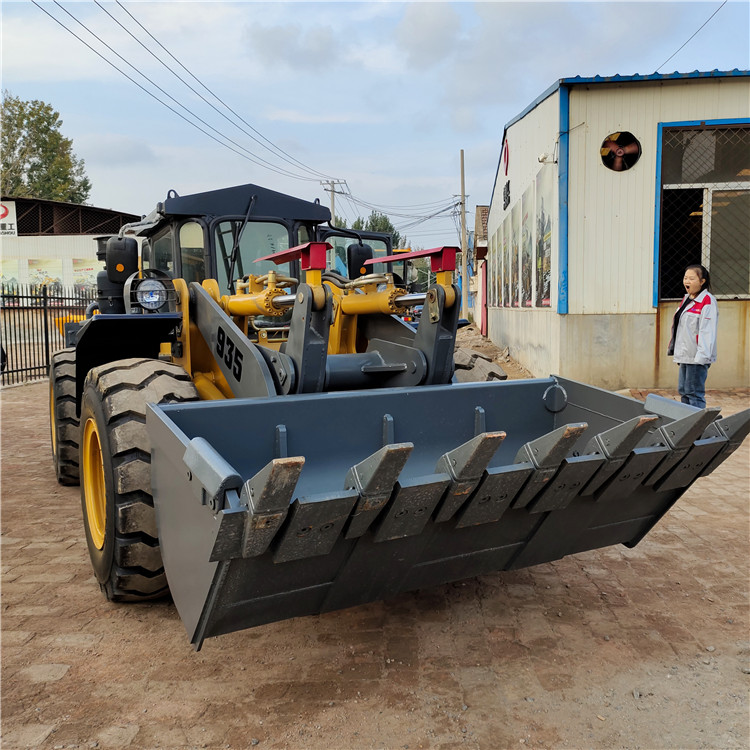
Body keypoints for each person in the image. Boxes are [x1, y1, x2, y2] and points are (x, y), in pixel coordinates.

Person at [667, 263, 718, 408]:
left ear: (702, 282)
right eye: (685, 278)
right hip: (686, 355)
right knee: (684, 391)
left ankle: (697, 428)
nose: (687, 282)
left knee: (694, 393)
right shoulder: (687, 299)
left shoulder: (707, 301)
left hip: (697, 357)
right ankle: (689, 424)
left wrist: (701, 358)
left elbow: (707, 332)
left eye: (691, 278)